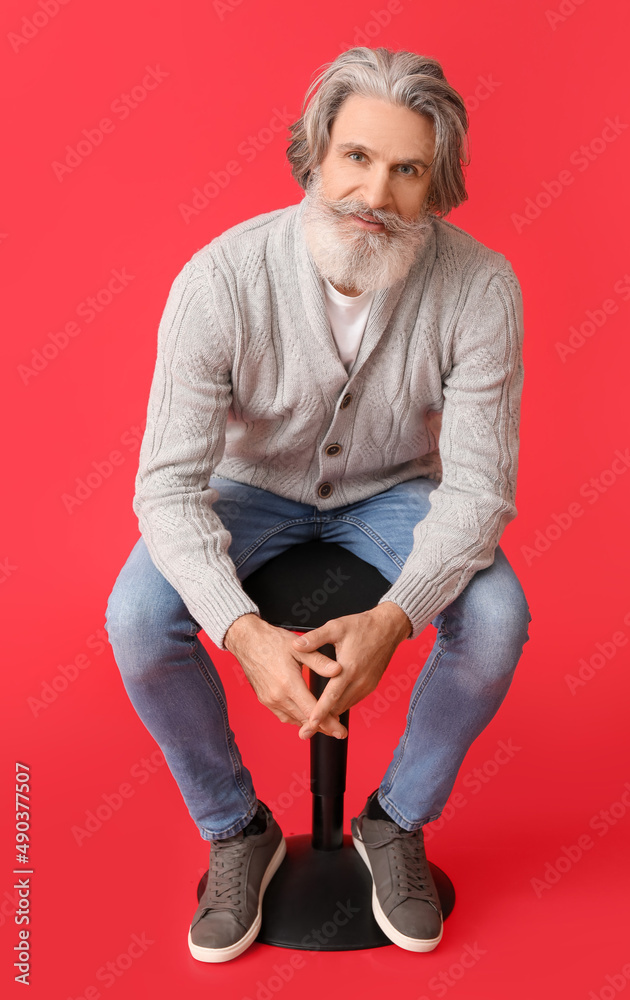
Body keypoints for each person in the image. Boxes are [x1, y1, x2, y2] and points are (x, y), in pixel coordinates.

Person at [105, 45, 532, 963]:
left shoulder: (482, 288)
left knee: (497, 618)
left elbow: (477, 490)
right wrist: (240, 631)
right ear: (314, 156)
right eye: (355, 157)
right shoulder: (220, 279)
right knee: (138, 618)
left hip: (394, 494)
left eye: (406, 169)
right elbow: (167, 488)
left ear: (438, 185)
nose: (373, 193)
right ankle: (234, 828)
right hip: (250, 491)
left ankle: (398, 819)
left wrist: (394, 617)